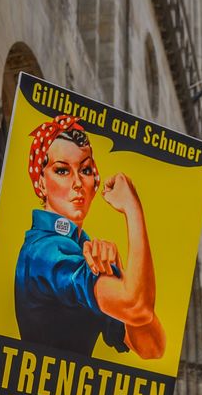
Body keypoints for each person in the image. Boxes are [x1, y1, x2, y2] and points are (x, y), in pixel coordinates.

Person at [17, 114, 165, 359]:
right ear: (41, 183)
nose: (77, 182)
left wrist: (118, 271)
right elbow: (137, 307)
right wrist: (133, 210)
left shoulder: (81, 252)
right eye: (62, 170)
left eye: (85, 170)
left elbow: (152, 347)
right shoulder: (46, 251)